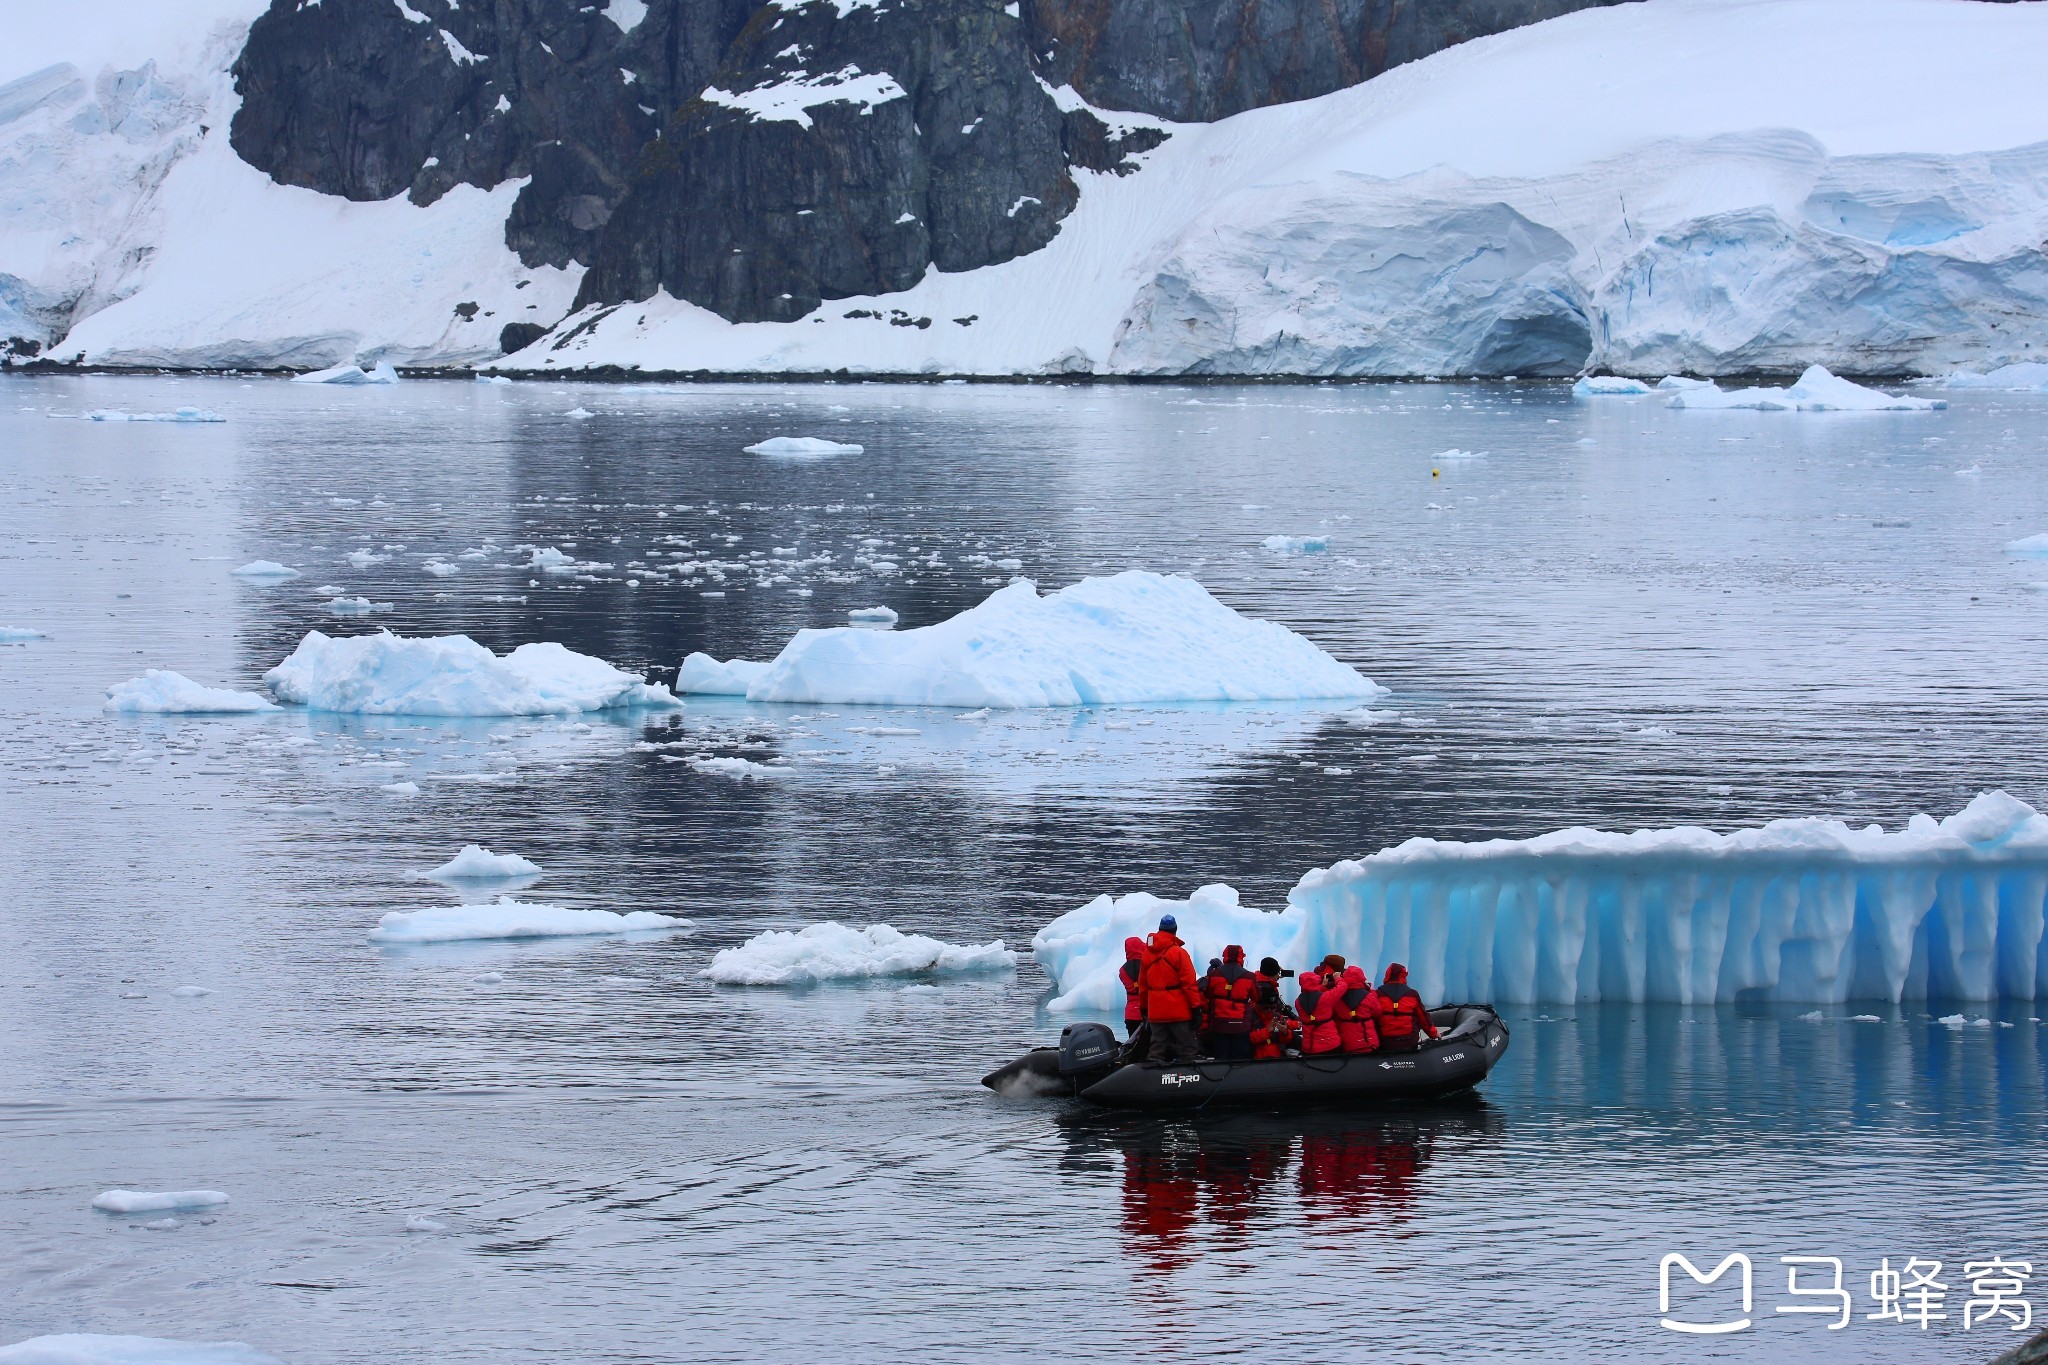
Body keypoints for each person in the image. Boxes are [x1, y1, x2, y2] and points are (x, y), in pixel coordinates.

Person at [1139, 914, 1204, 1064]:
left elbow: (1143, 986)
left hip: (1156, 1010)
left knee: (1156, 1049)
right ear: (1175, 931)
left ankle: (1152, 1080)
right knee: (1188, 1049)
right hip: (1178, 1010)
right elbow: (1189, 984)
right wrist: (1195, 1008)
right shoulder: (1179, 953)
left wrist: (1144, 1008)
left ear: (1160, 929)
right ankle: (1189, 1080)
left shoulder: (1147, 954)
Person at [1201, 944, 1257, 1061]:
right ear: (1241, 957)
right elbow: (1257, 996)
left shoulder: (1215, 974)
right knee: (1239, 1060)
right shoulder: (1249, 976)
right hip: (1241, 1025)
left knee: (1220, 1059)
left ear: (1225, 956)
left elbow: (1208, 994)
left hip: (1219, 1024)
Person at [1369, 962, 1440, 1052]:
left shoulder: (1377, 994)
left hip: (1386, 1043)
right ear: (1404, 976)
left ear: (1387, 975)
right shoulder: (1412, 994)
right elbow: (1423, 1018)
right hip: (1409, 1042)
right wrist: (1434, 1034)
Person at [1333, 964, 1380, 1054]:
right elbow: (1377, 1012)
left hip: (1349, 1044)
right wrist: (1372, 991)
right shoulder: (1369, 996)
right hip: (1370, 1042)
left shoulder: (1338, 999)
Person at [1294, 970, 1340, 1055]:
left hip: (1309, 1047)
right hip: (1330, 1044)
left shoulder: (1297, 1002)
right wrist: (1337, 978)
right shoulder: (1325, 998)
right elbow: (1342, 987)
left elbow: (1311, 996)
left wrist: (1322, 986)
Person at [1118, 936, 1145, 1038]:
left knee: (1133, 1046)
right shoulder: (1148, 966)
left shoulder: (1122, 971)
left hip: (1130, 1014)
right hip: (1146, 1013)